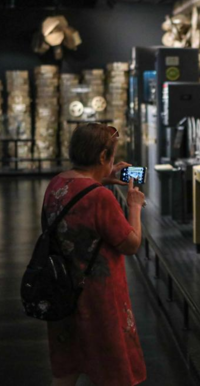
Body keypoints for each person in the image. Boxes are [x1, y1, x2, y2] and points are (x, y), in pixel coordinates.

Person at [42, 123, 147, 386]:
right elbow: (131, 244)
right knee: (113, 371)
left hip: (63, 293)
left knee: (66, 370)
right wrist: (134, 206)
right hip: (100, 299)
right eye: (111, 156)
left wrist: (101, 179)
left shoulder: (57, 184)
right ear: (103, 157)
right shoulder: (100, 197)